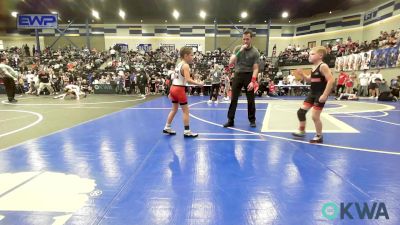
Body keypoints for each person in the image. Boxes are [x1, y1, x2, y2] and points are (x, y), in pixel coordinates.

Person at [292, 46, 334, 143]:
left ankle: (319, 136)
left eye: (312, 54)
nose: (309, 56)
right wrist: (302, 74)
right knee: (301, 112)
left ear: (320, 55)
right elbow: (308, 79)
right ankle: (302, 130)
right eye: (309, 54)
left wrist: (324, 95)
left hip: (320, 94)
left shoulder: (323, 66)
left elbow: (331, 80)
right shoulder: (314, 67)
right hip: (312, 93)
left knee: (315, 116)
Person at [163, 47, 204, 138]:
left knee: (174, 109)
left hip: (173, 88)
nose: (193, 57)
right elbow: (188, 80)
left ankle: (167, 127)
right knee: (186, 110)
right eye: (191, 55)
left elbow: (174, 78)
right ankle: (187, 131)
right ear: (185, 56)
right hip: (179, 89)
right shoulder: (185, 65)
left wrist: (171, 91)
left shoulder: (178, 64)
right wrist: (199, 84)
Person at [224, 30, 260, 128]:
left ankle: (252, 120)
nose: (245, 41)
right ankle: (230, 120)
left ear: (251, 39)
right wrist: (241, 50)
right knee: (233, 99)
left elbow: (256, 68)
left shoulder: (255, 52)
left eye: (247, 39)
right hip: (238, 75)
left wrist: (253, 81)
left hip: (249, 75)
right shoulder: (237, 48)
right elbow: (231, 62)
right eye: (244, 39)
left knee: (251, 99)